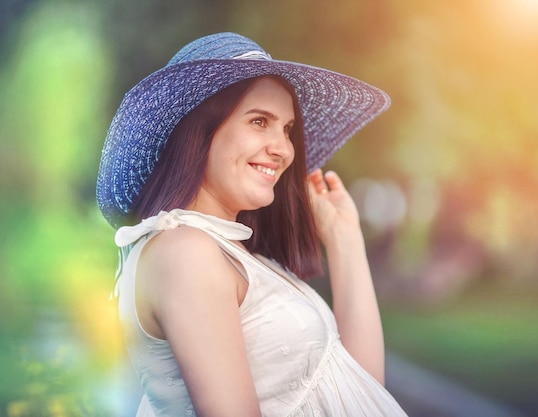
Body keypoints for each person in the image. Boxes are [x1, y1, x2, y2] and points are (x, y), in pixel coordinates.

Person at [97, 32, 407, 417]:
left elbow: (360, 392)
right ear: (199, 130)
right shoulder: (185, 251)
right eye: (260, 121)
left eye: (288, 129)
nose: (284, 149)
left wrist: (344, 238)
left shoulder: (232, 254)